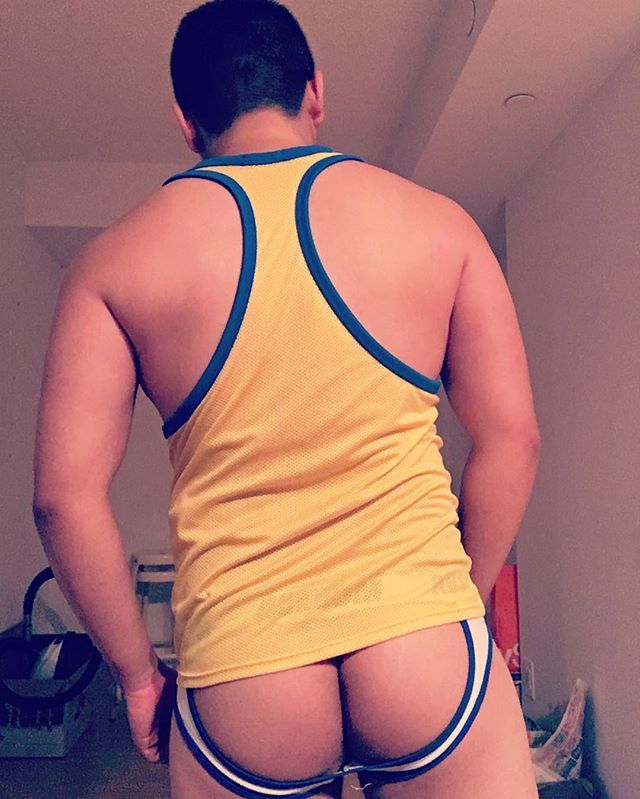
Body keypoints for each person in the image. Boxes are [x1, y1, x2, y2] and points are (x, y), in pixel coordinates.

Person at [32, 1, 541, 797]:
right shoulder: (441, 227)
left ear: (186, 121)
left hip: (244, 676)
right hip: (424, 645)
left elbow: (62, 501)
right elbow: (513, 440)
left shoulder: (112, 263)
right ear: (315, 92)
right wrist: (455, 608)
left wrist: (137, 675)